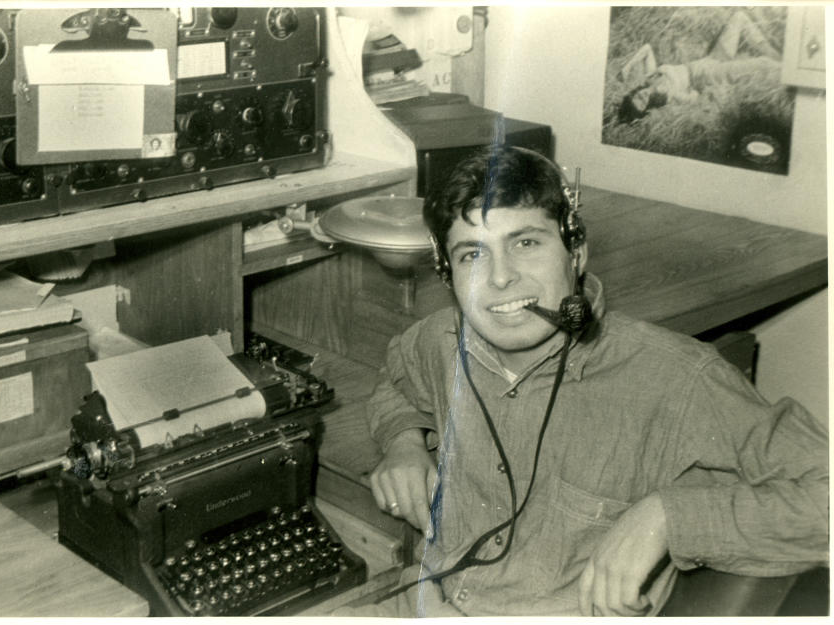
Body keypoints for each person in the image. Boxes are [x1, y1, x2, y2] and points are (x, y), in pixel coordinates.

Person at [340, 146, 827, 617]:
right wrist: (404, 440)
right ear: (447, 273)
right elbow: (397, 379)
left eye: (526, 243)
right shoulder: (438, 340)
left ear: (576, 253)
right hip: (426, 599)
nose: (501, 278)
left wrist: (667, 518)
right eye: (472, 255)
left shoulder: (678, 377)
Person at [617, 10, 782, 124]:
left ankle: (777, 57)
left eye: (638, 96)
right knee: (763, 64)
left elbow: (647, 48)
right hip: (709, 74)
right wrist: (692, 89)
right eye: (643, 102)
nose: (643, 96)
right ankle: (785, 68)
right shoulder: (667, 98)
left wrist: (627, 67)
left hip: (712, 58)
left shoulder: (650, 76)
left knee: (739, 17)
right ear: (647, 108)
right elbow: (694, 97)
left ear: (633, 92)